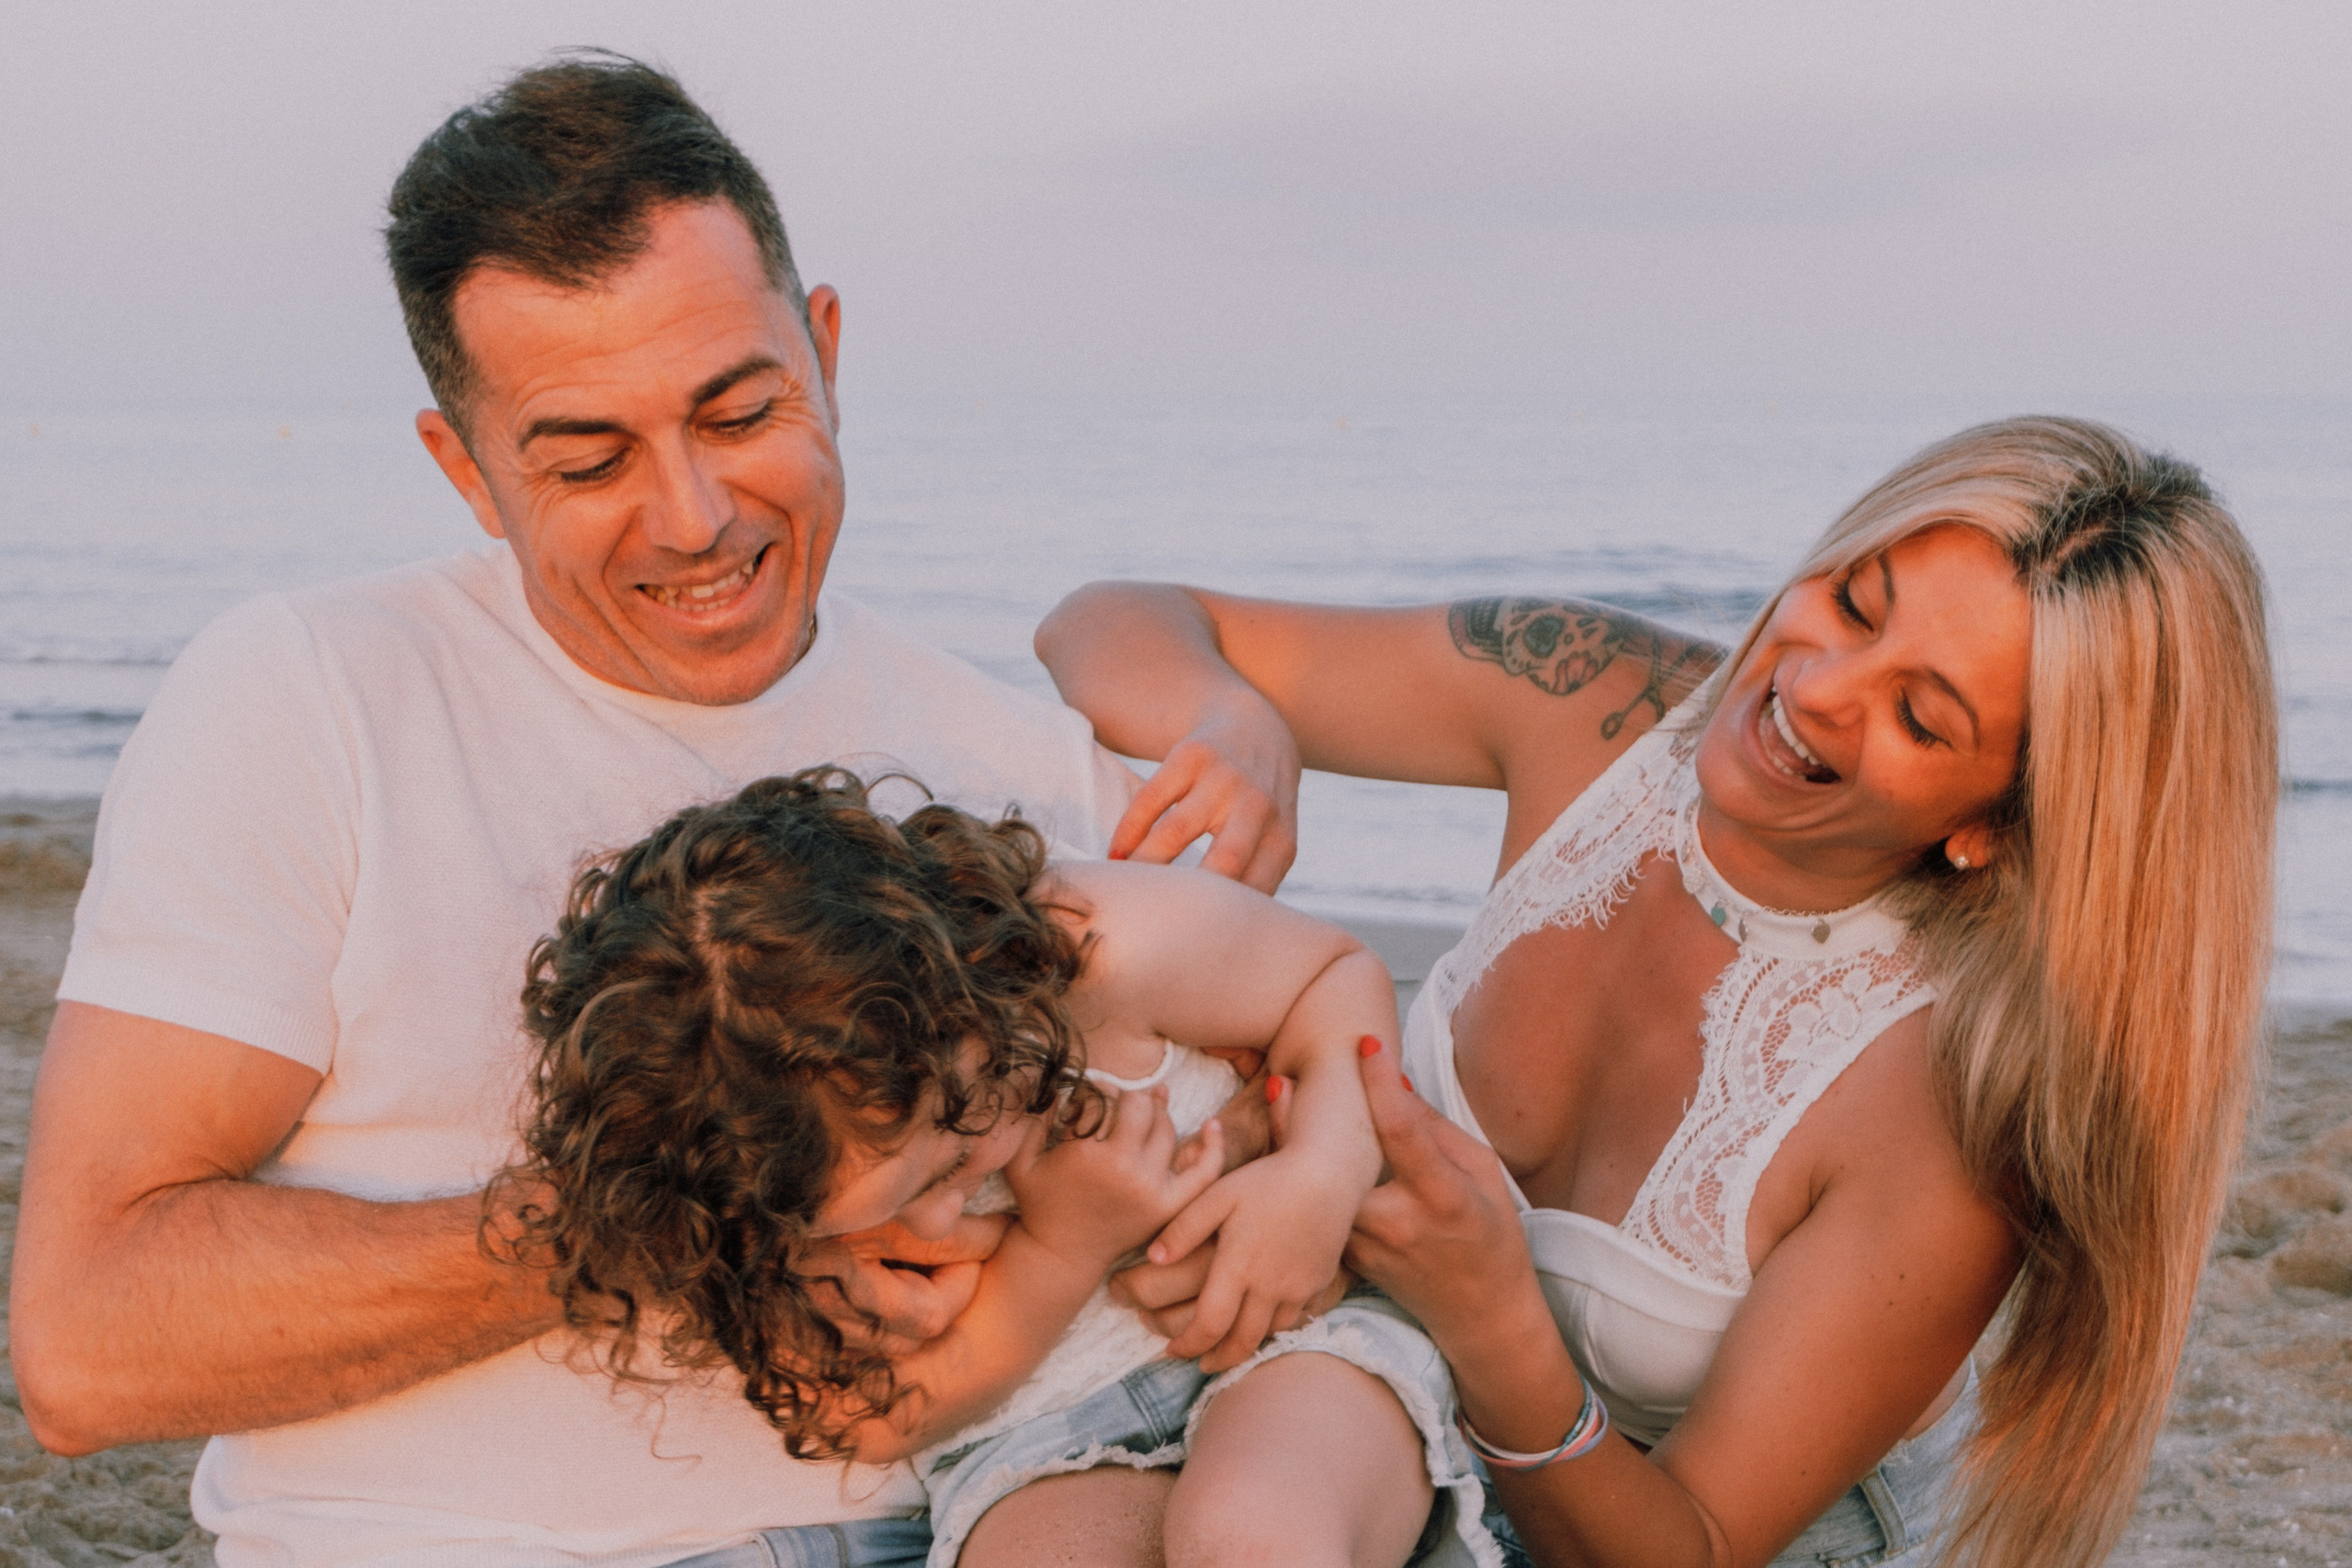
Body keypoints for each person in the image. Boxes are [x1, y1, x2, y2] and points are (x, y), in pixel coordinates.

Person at [9, 54, 1209, 1568]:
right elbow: (88, 1342)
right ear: (467, 470)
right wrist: (668, 1213)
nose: (695, 518)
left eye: (740, 411)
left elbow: (1209, 1202)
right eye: (590, 458)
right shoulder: (311, 697)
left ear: (826, 352)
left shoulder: (1023, 769)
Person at [1038, 416, 2278, 1568]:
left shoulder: (1948, 1111)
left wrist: (1493, 1318)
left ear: (1993, 826)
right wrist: (1235, 717)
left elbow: (1689, 1545)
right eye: (1854, 602)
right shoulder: (1600, 698)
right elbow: (1103, 622)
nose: (1818, 688)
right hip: (1396, 1414)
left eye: (1917, 714)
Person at [504, 768, 1504, 1568]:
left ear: (967, 996)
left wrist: (1320, 1176)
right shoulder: (753, 1179)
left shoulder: (1101, 951)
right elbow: (869, 1418)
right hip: (1041, 1446)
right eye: (877, 1213)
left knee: (1249, 1533)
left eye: (950, 1163)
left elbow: (1333, 976)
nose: (939, 1223)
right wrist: (1065, 1247)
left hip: (1303, 1349)